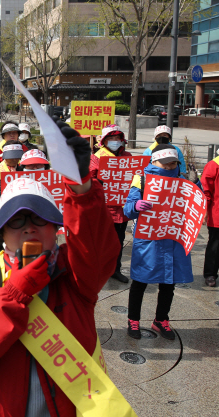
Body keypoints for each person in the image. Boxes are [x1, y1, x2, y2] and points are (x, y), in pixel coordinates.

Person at [0, 122, 121, 416]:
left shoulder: (74, 272)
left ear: (56, 229)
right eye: (17, 221)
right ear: (2, 234)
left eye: (40, 218)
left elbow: (99, 250)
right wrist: (17, 291)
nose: (29, 229)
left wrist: (81, 187)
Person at [124, 144, 191, 341]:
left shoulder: (182, 181)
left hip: (173, 239)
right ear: (154, 162)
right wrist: (136, 205)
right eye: (166, 164)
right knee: (140, 281)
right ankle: (133, 320)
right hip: (149, 239)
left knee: (169, 282)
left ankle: (161, 319)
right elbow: (127, 209)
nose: (170, 168)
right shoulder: (142, 180)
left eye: (173, 164)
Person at [88, 124, 132, 283]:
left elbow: (135, 175)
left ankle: (115, 270)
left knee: (118, 242)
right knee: (102, 242)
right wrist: (99, 182)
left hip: (123, 208)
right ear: (104, 141)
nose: (114, 141)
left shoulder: (128, 156)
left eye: (117, 138)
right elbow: (90, 180)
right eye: (111, 138)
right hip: (104, 208)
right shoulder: (97, 157)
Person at [0, 143, 30, 256]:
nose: (13, 160)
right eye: (10, 157)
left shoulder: (23, 170)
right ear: (4, 156)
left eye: (16, 156)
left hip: (18, 214)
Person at [202, 149, 219, 287]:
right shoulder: (214, 165)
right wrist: (204, 211)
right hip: (217, 214)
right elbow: (205, 191)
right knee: (215, 246)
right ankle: (210, 274)